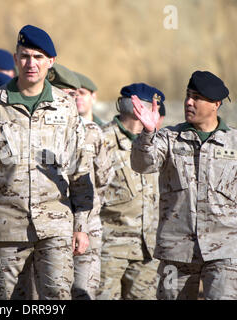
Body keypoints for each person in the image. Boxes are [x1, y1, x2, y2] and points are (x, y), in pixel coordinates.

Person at [0, 25, 93, 300]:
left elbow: (81, 167)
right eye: (25, 56)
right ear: (16, 58)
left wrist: (81, 225)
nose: (31, 63)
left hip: (55, 225)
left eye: (39, 57)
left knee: (56, 296)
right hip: (6, 227)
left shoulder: (65, 107)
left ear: (51, 62)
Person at [131, 71, 237, 300]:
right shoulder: (168, 138)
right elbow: (142, 165)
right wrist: (147, 133)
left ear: (215, 104)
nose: (188, 102)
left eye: (196, 97)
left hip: (223, 250)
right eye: (187, 95)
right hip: (176, 251)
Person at [48, 63, 113, 299]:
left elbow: (103, 178)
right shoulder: (39, 131)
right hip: (50, 226)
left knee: (83, 291)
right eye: (66, 95)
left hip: (86, 225)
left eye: (74, 95)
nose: (72, 101)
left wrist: (89, 212)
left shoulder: (92, 132)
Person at [95, 83, 165, 300]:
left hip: (147, 251)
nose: (157, 117)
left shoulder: (157, 143)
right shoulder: (101, 140)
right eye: (152, 109)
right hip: (108, 250)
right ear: (138, 110)